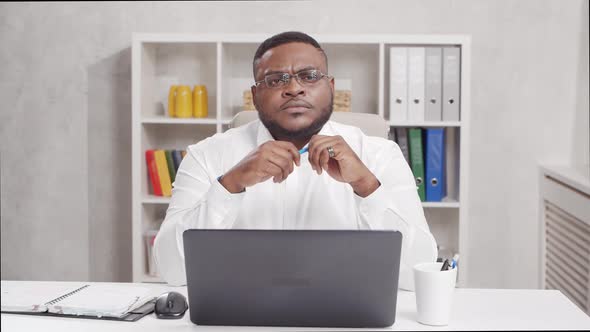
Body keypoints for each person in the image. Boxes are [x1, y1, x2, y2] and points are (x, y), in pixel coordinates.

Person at [154, 31, 437, 290]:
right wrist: (230, 185)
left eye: (310, 76)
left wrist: (366, 185)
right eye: (276, 80)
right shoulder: (207, 155)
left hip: (344, 317)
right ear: (254, 96)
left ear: (331, 88)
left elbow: (417, 274)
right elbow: (171, 270)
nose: (294, 89)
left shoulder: (380, 155)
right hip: (240, 319)